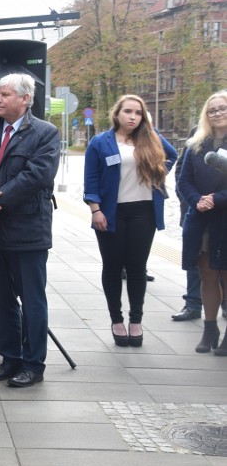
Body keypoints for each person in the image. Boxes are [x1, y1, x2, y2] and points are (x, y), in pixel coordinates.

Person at [0, 73, 60, 388]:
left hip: (28, 230)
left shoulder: (45, 134)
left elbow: (36, 177)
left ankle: (33, 364)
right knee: (2, 298)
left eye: (4, 94)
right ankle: (10, 357)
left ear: (25, 99)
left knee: (32, 300)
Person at [83, 95, 177, 347]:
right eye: (128, 111)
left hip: (143, 212)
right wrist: (95, 210)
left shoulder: (151, 138)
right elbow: (91, 180)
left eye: (138, 112)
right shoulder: (100, 142)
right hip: (111, 212)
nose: (133, 117)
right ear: (117, 114)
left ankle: (136, 320)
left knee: (137, 267)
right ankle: (116, 319)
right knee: (112, 266)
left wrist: (156, 174)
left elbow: (173, 155)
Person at [177, 90, 227, 355]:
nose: (217, 113)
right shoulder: (196, 144)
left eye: (222, 108)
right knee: (207, 276)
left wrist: (216, 199)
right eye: (212, 110)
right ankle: (210, 328)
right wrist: (197, 200)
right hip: (203, 219)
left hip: (225, 217)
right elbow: (183, 181)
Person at [172, 129, 203, 321]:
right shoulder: (197, 134)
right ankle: (193, 304)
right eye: (214, 110)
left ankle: (224, 305)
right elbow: (181, 173)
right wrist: (191, 200)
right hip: (196, 210)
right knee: (195, 259)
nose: (218, 113)